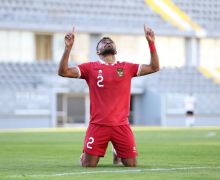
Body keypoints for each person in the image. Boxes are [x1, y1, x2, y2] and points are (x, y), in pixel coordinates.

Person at [58, 25, 160, 167]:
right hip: (98, 125)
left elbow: (155, 67)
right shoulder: (89, 67)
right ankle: (86, 153)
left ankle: (117, 151)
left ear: (115, 49)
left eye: (110, 41)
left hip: (121, 125)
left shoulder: (127, 67)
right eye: (103, 42)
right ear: (98, 52)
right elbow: (63, 72)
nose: (107, 42)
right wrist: (68, 48)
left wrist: (151, 43)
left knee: (131, 164)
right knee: (88, 165)